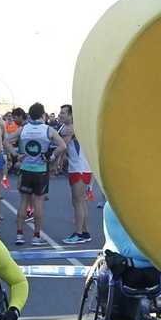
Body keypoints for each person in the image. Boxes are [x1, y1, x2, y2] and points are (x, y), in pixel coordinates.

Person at [7, 102, 69, 246]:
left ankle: (19, 234)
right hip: (40, 170)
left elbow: (6, 140)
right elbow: (62, 146)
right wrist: (51, 157)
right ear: (43, 115)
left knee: (23, 202)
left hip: (26, 169)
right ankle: (36, 236)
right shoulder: (48, 130)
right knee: (38, 204)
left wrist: (16, 156)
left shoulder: (23, 129)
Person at [57, 103, 93, 244]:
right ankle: (85, 232)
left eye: (63, 113)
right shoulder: (65, 128)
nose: (60, 115)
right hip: (78, 168)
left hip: (80, 168)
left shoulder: (72, 127)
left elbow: (62, 145)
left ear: (71, 115)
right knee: (80, 202)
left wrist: (53, 162)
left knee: (78, 202)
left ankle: (78, 233)